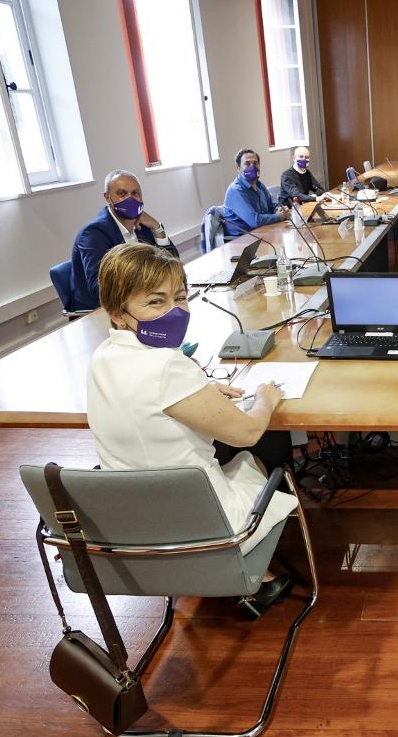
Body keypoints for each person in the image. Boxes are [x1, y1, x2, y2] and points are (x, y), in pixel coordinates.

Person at [87, 243, 297, 608]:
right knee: (263, 452)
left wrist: (199, 392)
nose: (174, 311)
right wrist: (266, 397)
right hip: (202, 521)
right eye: (156, 302)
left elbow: (143, 399)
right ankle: (249, 576)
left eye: (180, 298)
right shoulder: (167, 366)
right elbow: (246, 432)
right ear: (117, 312)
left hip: (130, 521)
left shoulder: (103, 356)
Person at [69, 170, 179, 312]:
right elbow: (100, 290)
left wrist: (157, 228)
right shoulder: (94, 233)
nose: (130, 199)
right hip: (106, 311)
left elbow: (174, 264)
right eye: (122, 193)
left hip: (146, 301)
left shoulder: (143, 225)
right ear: (108, 198)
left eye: (135, 193)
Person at [223, 148, 290, 237]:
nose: (252, 167)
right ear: (239, 168)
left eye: (255, 163)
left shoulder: (260, 186)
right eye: (247, 163)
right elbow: (253, 221)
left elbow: (271, 207)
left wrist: (280, 210)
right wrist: (278, 216)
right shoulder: (236, 190)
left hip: (263, 232)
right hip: (243, 240)